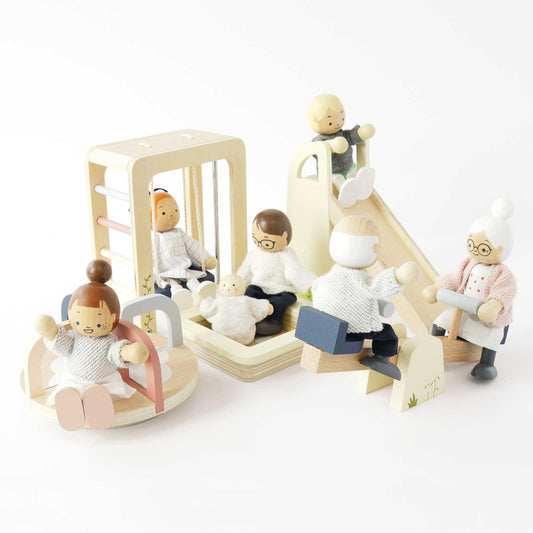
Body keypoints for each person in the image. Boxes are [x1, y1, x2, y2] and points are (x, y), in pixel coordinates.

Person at [34, 260, 149, 430]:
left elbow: (115, 352)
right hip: (74, 378)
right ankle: (71, 405)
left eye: (98, 323)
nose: (88, 326)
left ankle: (97, 407)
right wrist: (52, 332)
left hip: (104, 381)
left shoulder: (109, 341)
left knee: (101, 391)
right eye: (78, 321)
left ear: (113, 318)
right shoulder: (75, 337)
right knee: (68, 388)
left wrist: (129, 352)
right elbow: (64, 346)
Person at [312, 215, 419, 380]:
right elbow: (379, 287)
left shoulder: (327, 278)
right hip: (353, 329)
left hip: (327, 325)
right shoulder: (360, 279)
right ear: (374, 248)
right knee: (388, 334)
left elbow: (317, 290)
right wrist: (398, 277)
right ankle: (381, 359)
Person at [423, 199, 517, 380]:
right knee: (441, 320)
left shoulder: (503, 273)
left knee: (491, 336)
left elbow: (503, 292)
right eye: (472, 245)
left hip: (485, 317)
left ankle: (487, 364)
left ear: (500, 249)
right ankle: (433, 346)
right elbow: (453, 278)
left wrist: (493, 306)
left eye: (483, 248)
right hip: (464, 310)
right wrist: (436, 288)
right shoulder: (468, 263)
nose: (476, 251)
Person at [237, 209, 316, 336]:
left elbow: (295, 273)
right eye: (255, 238)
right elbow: (244, 271)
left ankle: (272, 321)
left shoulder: (287, 255)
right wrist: (235, 283)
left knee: (280, 302)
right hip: (260, 287)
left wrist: (313, 284)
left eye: (266, 241)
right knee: (250, 292)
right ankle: (246, 316)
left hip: (281, 290)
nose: (260, 243)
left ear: (285, 236)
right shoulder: (254, 253)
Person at [150, 189, 217, 308]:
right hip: (165, 272)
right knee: (172, 282)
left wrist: (206, 259)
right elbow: (151, 258)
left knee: (190, 277)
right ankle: (178, 293)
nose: (171, 215)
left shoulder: (179, 233)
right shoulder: (154, 238)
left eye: (175, 210)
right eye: (163, 213)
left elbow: (193, 247)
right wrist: (152, 275)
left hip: (183, 266)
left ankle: (199, 290)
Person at [308, 94, 375, 207]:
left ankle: (362, 187)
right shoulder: (318, 141)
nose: (338, 123)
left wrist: (361, 132)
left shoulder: (343, 134)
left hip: (349, 167)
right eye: (330, 122)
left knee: (352, 174)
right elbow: (317, 150)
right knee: (339, 180)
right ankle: (346, 193)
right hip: (331, 173)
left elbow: (352, 136)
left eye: (341, 118)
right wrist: (332, 145)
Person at [199, 274, 273, 344]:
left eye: (233, 285)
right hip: (245, 337)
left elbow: (206, 309)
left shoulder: (218, 301)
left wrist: (202, 301)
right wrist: (267, 307)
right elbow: (261, 307)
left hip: (221, 336)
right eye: (224, 285)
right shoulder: (246, 300)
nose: (228, 288)